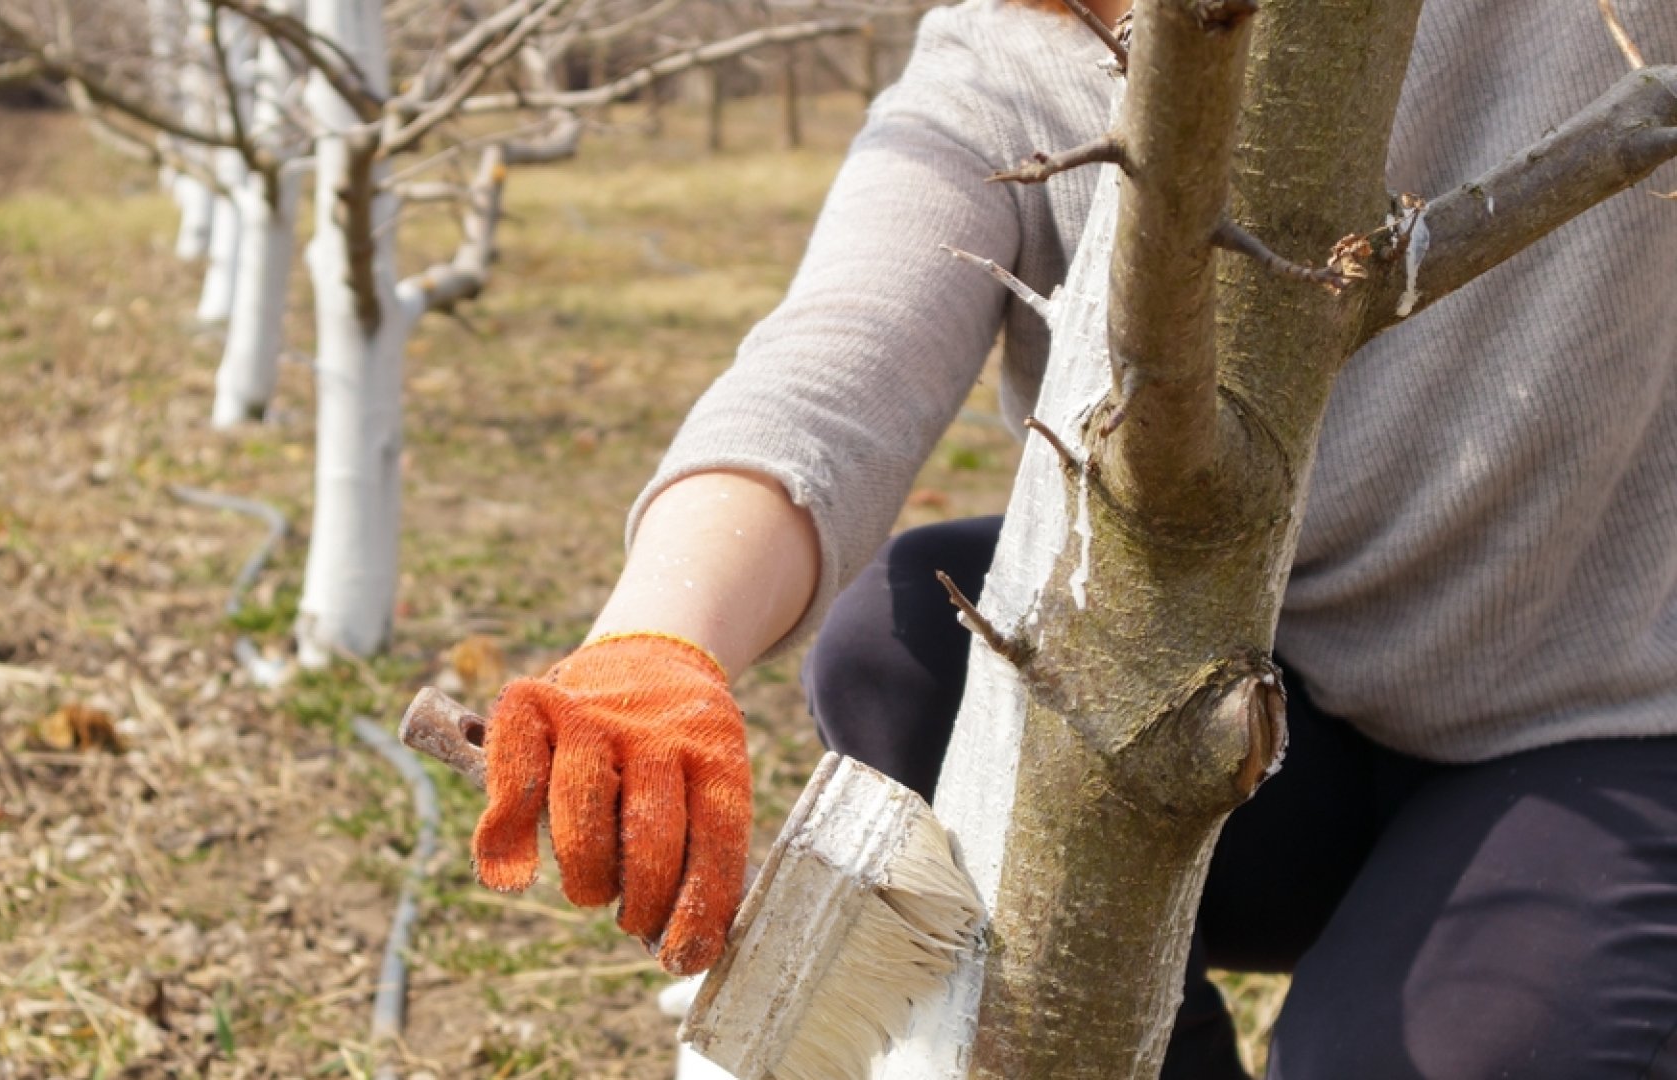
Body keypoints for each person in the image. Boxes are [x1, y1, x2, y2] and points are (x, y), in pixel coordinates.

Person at [468, 0, 1677, 1075]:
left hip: (1601, 723)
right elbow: (831, 369)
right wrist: (654, 644)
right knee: (905, 639)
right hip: (1261, 719)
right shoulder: (1013, 55)